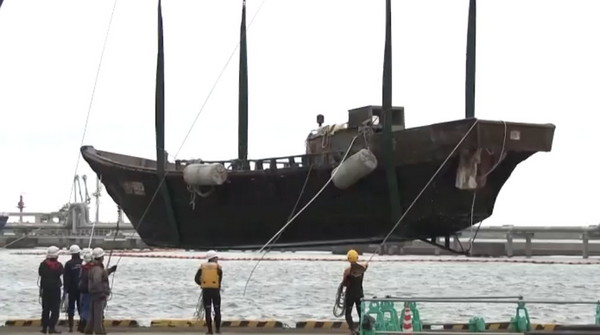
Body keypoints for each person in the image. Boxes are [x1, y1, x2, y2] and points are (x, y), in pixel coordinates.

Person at [85, 247, 117, 335]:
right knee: (98, 315)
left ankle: (89, 331)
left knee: (92, 315)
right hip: (99, 295)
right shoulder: (98, 269)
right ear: (101, 257)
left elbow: (102, 275)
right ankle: (99, 332)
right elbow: (97, 281)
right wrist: (102, 292)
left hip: (93, 294)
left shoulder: (94, 267)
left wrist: (110, 270)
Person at [194, 250, 223, 334]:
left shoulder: (202, 267)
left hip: (206, 291)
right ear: (213, 258)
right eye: (216, 257)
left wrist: (202, 284)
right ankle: (218, 330)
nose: (217, 258)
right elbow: (220, 279)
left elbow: (196, 279)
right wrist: (217, 286)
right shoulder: (218, 267)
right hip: (215, 291)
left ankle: (210, 331)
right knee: (217, 309)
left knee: (208, 310)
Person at [39, 246, 64, 334]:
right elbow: (60, 272)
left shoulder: (43, 264)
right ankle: (52, 327)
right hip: (55, 289)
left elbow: (40, 273)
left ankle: (44, 328)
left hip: (45, 289)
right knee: (55, 310)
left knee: (45, 309)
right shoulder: (59, 265)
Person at [342, 249, 368, 335]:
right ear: (357, 257)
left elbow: (345, 284)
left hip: (350, 294)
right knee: (361, 312)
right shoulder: (362, 269)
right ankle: (360, 329)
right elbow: (365, 265)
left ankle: (352, 329)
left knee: (348, 313)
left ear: (348, 259)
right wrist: (365, 264)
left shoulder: (347, 271)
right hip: (359, 294)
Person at [64, 245, 83, 332]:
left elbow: (66, 278)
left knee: (70, 308)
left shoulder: (68, 264)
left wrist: (65, 290)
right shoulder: (83, 263)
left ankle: (71, 327)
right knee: (81, 307)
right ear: (79, 252)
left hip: (71, 289)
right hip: (81, 289)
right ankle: (82, 326)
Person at [77, 248, 93, 333]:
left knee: (83, 307)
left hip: (82, 289)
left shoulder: (82, 267)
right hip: (89, 290)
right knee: (87, 308)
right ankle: (84, 325)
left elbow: (79, 277)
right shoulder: (92, 268)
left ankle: (82, 322)